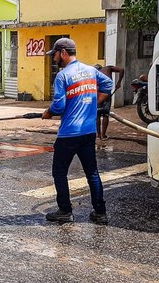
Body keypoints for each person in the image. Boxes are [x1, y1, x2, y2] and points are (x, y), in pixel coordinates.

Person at [41, 38, 113, 224]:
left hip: (68, 134)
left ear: (63, 53)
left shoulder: (62, 76)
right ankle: (100, 212)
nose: (54, 58)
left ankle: (65, 211)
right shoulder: (91, 71)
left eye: (55, 54)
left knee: (59, 172)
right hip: (88, 132)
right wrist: (94, 103)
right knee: (92, 173)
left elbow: (59, 106)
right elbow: (108, 85)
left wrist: (48, 112)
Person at [94, 63, 125, 140]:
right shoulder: (108, 68)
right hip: (106, 94)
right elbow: (121, 69)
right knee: (105, 114)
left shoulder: (94, 73)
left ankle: (99, 135)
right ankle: (103, 135)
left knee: (97, 115)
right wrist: (119, 82)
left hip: (97, 94)